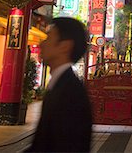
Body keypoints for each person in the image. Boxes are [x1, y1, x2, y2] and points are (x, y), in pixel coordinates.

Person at [26, 17, 92, 152]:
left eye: (48, 38)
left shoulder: (71, 93)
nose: (42, 44)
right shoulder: (60, 84)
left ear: (65, 46)